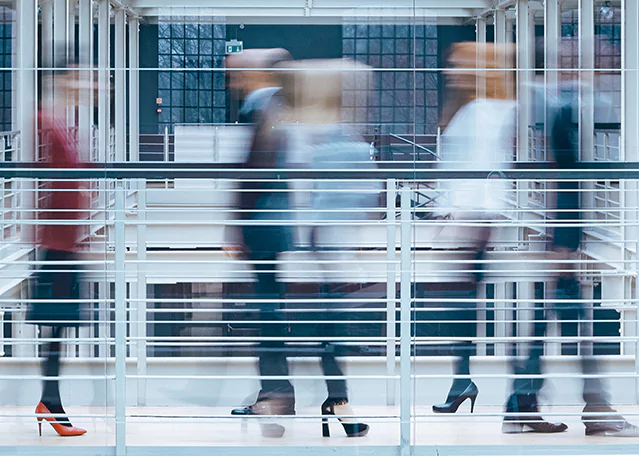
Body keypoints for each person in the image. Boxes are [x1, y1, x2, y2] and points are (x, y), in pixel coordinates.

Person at [501, 82, 639, 437]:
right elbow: (560, 177)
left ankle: (526, 405)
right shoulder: (562, 111)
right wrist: (562, 245)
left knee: (555, 325)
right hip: (562, 242)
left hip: (561, 240)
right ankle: (590, 408)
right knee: (572, 327)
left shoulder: (559, 106)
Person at [276, 58, 374, 438]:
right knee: (324, 329)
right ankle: (332, 402)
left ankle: (334, 401)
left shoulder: (328, 135)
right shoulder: (318, 135)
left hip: (323, 249)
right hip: (315, 249)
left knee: (329, 330)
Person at [431, 42, 516, 414]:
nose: (449, 71)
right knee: (460, 306)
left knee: (460, 305)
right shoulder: (476, 108)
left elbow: (485, 172)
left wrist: (458, 216)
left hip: (472, 219)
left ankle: (464, 381)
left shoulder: (484, 111)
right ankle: (461, 380)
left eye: (456, 64)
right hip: (468, 218)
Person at [224, 48, 295, 438]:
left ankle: (275, 393)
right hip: (271, 225)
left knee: (267, 311)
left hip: (263, 226)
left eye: (236, 73)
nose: (232, 80)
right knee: (268, 308)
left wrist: (237, 227)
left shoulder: (265, 108)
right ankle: (277, 391)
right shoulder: (272, 105)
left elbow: (257, 173)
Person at [26, 60, 91, 437]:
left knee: (59, 327)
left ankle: (51, 402)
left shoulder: (60, 121)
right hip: (57, 242)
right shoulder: (46, 122)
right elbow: (49, 183)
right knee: (56, 325)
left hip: (66, 240)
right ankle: (51, 405)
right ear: (60, 80)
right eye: (79, 76)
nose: (87, 84)